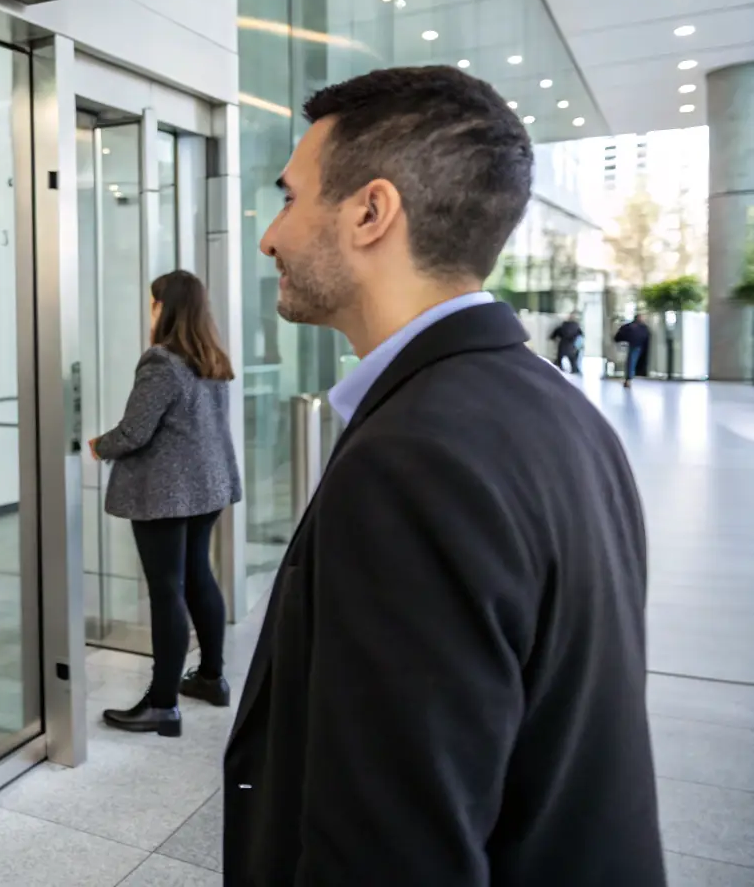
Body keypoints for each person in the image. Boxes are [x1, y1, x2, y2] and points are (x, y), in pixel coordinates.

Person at [226, 66, 663, 886]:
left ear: (369, 212)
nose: (269, 237)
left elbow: (393, 849)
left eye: (288, 198)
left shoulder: (411, 460)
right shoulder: (559, 413)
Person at [89, 270, 241, 738]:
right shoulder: (210, 357)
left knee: (167, 590)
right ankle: (212, 679)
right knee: (198, 575)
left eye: (151, 302)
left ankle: (162, 705)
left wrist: (97, 446)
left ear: (163, 308)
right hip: (207, 487)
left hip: (168, 493)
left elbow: (135, 431)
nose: (148, 310)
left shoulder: (161, 361)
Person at [615, 315, 651, 388]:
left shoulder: (629, 326)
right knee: (631, 362)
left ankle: (628, 379)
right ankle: (628, 379)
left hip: (633, 346)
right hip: (636, 346)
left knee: (630, 362)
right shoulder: (642, 328)